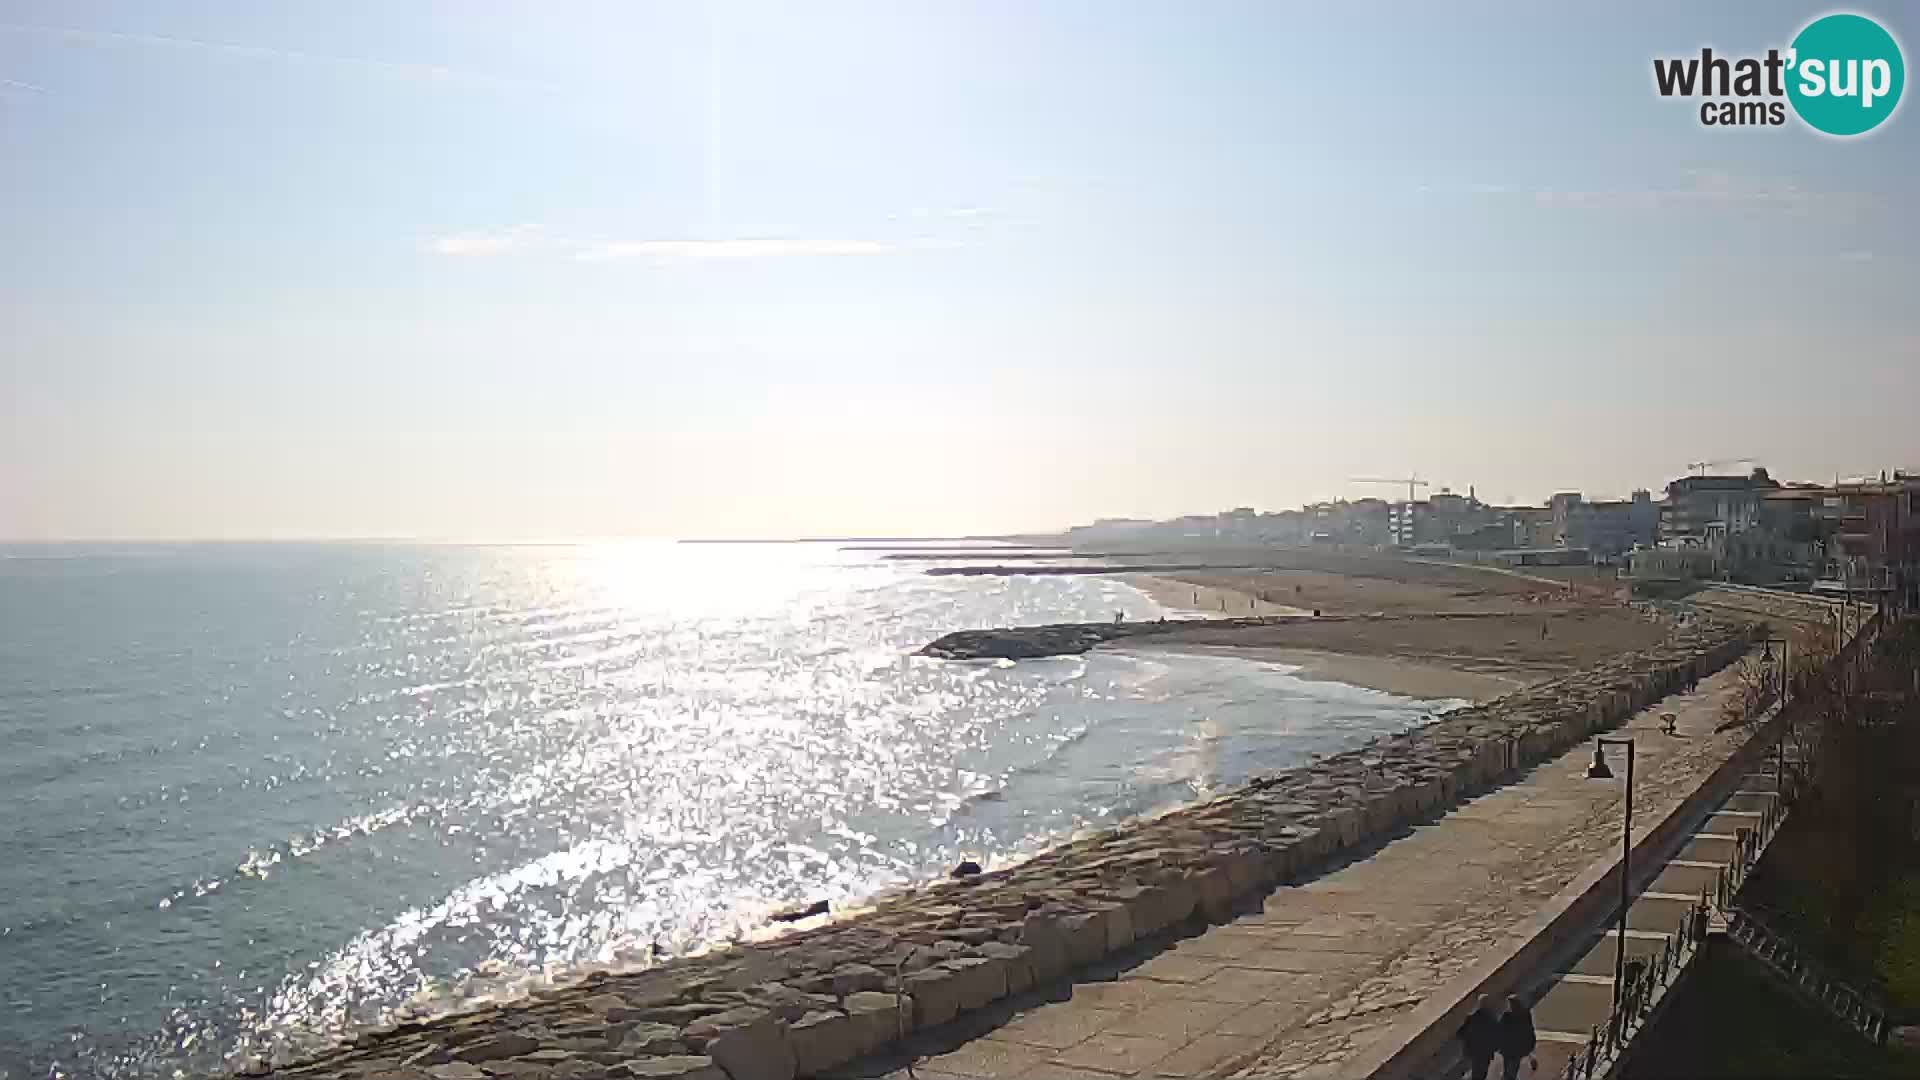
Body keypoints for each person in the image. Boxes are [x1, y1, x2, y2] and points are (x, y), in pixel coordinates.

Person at [1457, 995, 1500, 1080]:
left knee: (1476, 1072)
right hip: (1486, 1053)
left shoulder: (1471, 1018)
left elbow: (1460, 1033)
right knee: (1482, 1073)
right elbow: (1497, 1036)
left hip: (1474, 1051)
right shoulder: (1492, 1019)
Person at [1498, 995, 1536, 1079]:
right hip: (1518, 1047)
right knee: (1513, 1066)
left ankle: (1507, 1076)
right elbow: (1529, 1030)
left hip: (1508, 1047)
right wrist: (1531, 1043)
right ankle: (1508, 1076)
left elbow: (1501, 1030)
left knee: (1508, 1065)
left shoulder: (1506, 1016)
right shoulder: (1525, 1014)